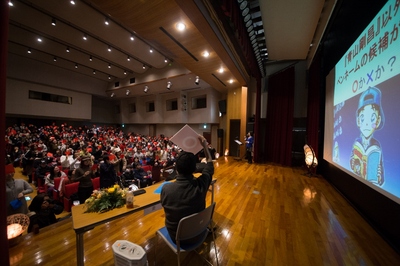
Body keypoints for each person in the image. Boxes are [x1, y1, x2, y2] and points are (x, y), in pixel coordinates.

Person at [160, 135, 213, 244]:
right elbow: (210, 165)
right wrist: (205, 146)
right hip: (199, 232)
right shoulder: (201, 184)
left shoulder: (166, 189)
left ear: (177, 170)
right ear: (194, 169)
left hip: (177, 238)